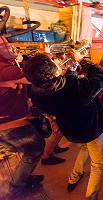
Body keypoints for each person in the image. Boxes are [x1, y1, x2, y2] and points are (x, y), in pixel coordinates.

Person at [23, 50, 103, 200]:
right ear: (53, 71)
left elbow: (60, 86)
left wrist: (71, 71)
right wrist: (82, 60)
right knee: (97, 165)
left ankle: (74, 177)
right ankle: (91, 197)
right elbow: (101, 75)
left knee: (84, 148)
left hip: (72, 132)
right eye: (53, 62)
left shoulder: (38, 94)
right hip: (93, 130)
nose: (57, 63)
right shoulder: (77, 88)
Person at [0, 36, 45, 198]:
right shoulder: (6, 68)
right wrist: (44, 58)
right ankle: (16, 187)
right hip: (10, 122)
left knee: (24, 148)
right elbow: (39, 79)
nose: (11, 47)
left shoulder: (7, 66)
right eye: (5, 45)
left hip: (8, 119)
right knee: (35, 149)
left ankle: (22, 176)